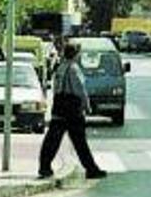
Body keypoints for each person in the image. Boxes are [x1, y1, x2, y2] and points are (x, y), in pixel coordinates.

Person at [37, 43, 107, 180]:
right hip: (72, 109)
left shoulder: (60, 68)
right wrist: (87, 106)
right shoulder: (74, 69)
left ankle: (44, 166)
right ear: (75, 54)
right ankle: (91, 169)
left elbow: (56, 88)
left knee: (52, 139)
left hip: (59, 106)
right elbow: (80, 90)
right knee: (80, 142)